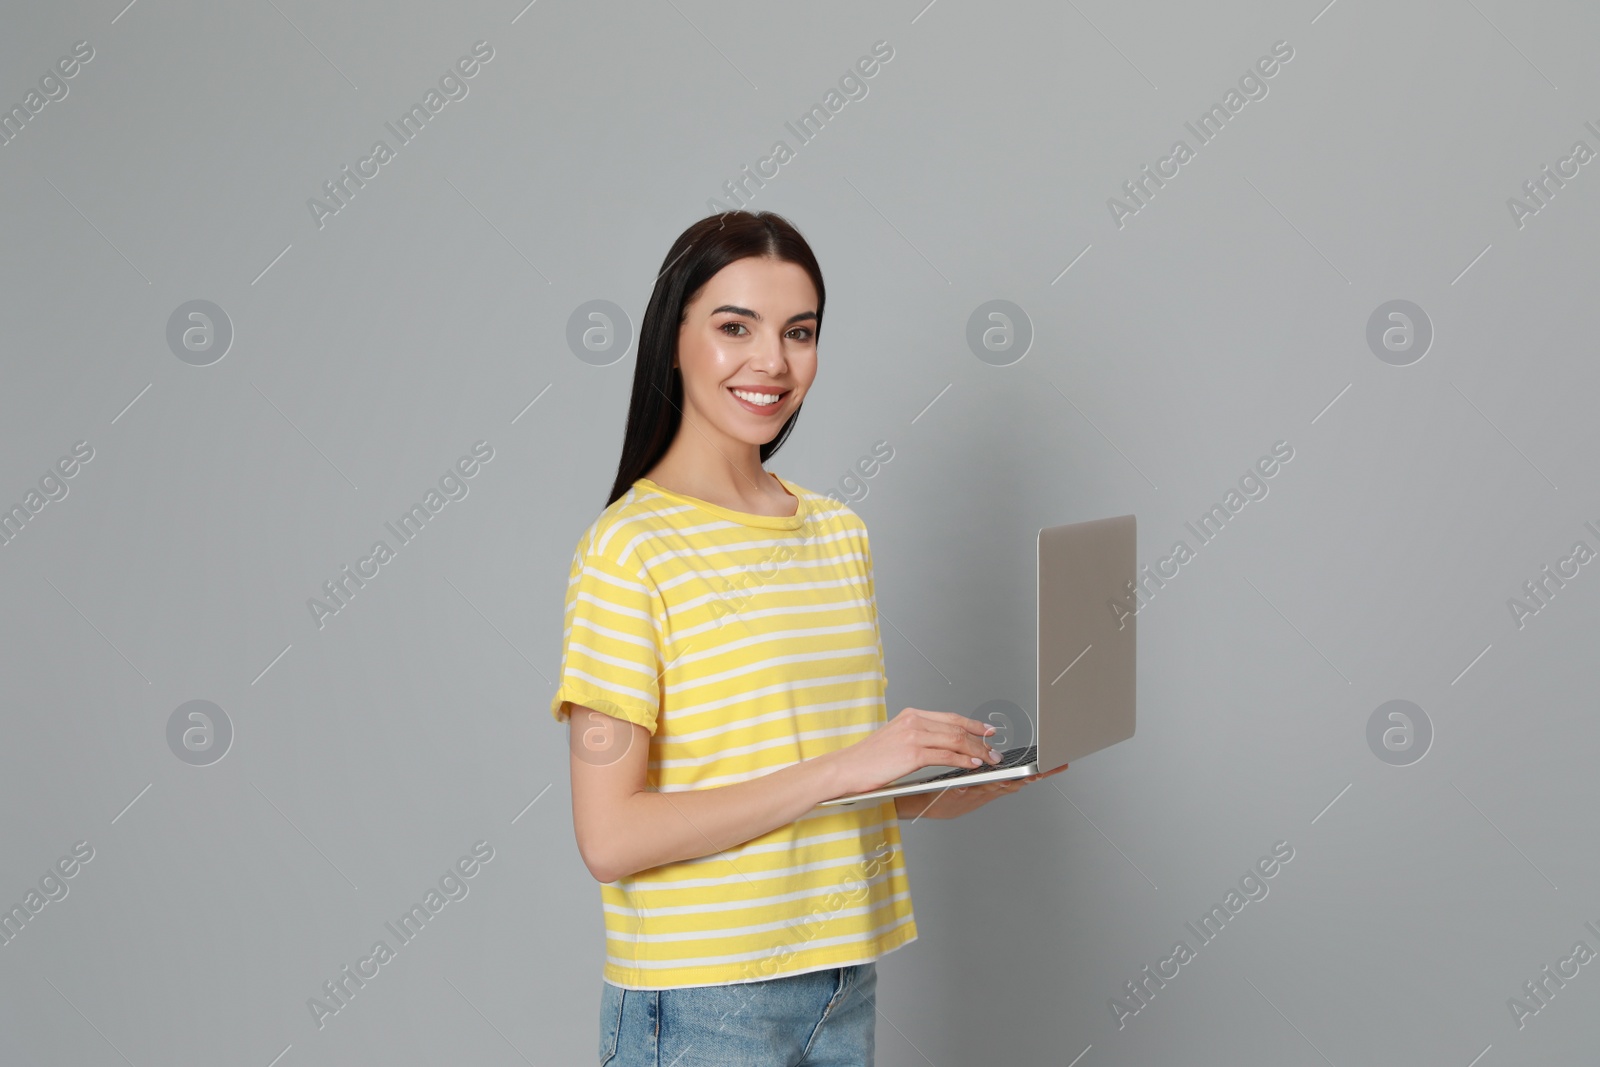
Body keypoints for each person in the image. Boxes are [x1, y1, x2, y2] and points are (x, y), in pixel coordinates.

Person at [550, 210, 1067, 1066]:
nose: (772, 362)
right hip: (702, 1000)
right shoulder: (628, 550)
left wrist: (923, 791)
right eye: (734, 327)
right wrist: (849, 766)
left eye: (800, 332)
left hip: (840, 977)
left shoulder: (837, 533)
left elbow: (793, 775)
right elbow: (612, 838)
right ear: (672, 339)